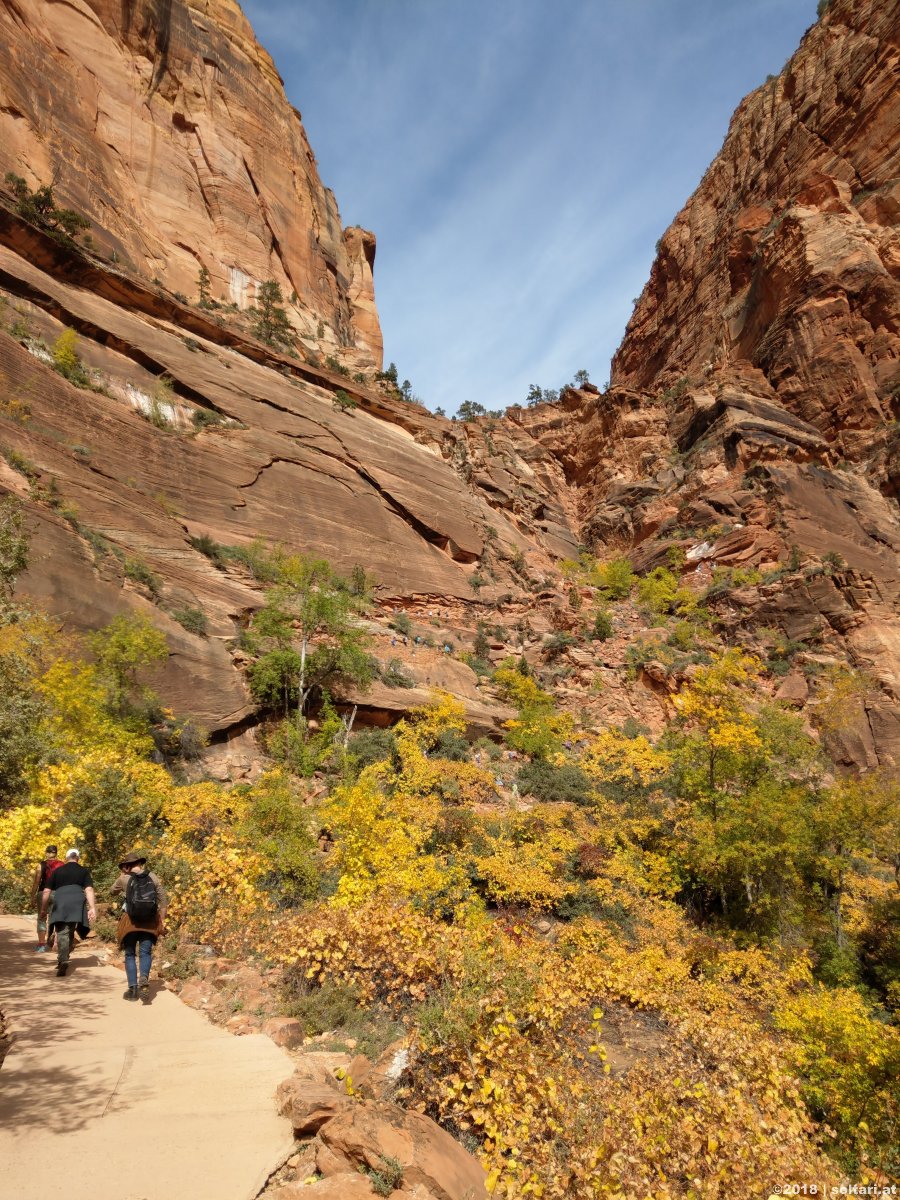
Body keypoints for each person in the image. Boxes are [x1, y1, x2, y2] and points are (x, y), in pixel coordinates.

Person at [111, 852, 167, 1002]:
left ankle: (133, 989)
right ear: (140, 863)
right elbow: (163, 900)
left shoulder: (124, 878)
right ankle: (144, 978)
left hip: (130, 921)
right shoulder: (153, 877)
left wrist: (123, 876)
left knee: (129, 954)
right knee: (145, 952)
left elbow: (112, 892)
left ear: (127, 866)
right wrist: (161, 920)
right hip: (149, 922)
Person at [41, 848, 96, 977]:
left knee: (62, 931)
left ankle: (63, 959)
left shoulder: (58, 871)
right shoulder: (83, 871)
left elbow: (46, 891)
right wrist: (92, 907)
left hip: (61, 901)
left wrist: (43, 908)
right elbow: (89, 890)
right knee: (70, 929)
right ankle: (65, 956)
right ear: (78, 858)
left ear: (66, 858)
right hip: (77, 902)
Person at [30, 843, 64, 952]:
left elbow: (36, 881)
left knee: (41, 918)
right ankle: (56, 944)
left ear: (46, 853)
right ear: (56, 853)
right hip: (57, 893)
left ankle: (41, 945)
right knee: (56, 918)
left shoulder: (41, 865)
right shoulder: (62, 864)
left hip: (43, 893)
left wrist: (32, 895)